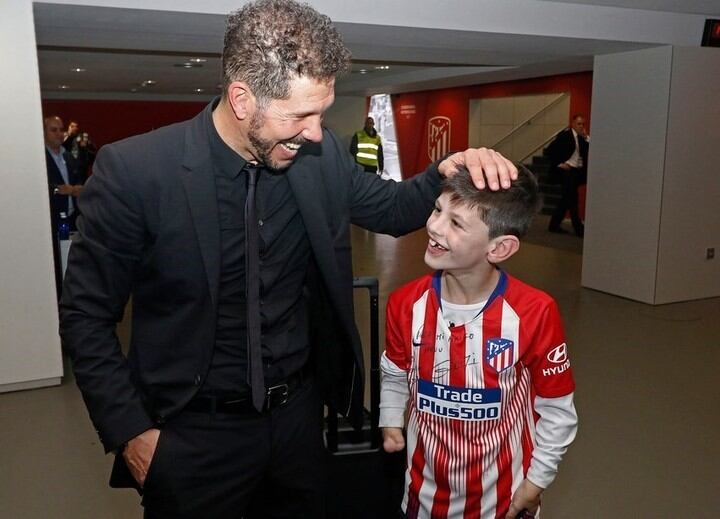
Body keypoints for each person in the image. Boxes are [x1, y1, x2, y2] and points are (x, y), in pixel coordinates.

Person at [59, 1, 517, 517]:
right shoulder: (137, 172)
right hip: (191, 436)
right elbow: (86, 316)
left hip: (297, 423)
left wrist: (446, 169)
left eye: (320, 113)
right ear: (241, 99)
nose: (317, 132)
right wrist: (133, 434)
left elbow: (390, 209)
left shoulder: (318, 159)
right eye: (300, 115)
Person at [380, 166, 578, 519]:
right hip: (422, 498)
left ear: (500, 247)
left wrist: (535, 484)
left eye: (456, 223)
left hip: (504, 501)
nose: (434, 226)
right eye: (437, 209)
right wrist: (391, 419)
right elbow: (396, 373)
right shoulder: (405, 304)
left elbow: (557, 410)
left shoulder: (534, 312)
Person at [44, 115, 85, 298]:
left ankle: (70, 297)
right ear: (44, 133)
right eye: (54, 130)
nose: (59, 134)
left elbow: (79, 184)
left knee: (71, 260)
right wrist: (60, 190)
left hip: (72, 219)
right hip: (50, 221)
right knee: (54, 264)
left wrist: (75, 190)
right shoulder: (40, 158)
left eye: (61, 129)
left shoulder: (68, 156)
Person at [545, 114, 589, 237]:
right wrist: (560, 164)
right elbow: (549, 151)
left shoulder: (581, 138)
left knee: (566, 200)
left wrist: (586, 138)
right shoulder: (565, 136)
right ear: (573, 124)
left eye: (583, 124)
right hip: (566, 172)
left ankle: (554, 225)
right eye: (579, 124)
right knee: (573, 199)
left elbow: (587, 153)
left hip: (576, 172)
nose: (581, 126)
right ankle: (578, 229)